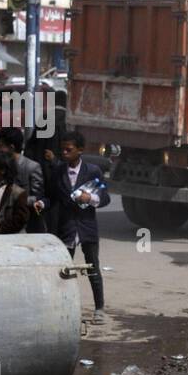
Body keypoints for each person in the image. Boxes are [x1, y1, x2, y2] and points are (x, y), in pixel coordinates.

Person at [50, 131, 110, 324]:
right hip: (66, 227)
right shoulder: (59, 171)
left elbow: (105, 198)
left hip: (87, 227)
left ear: (80, 150)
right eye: (63, 149)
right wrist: (41, 203)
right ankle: (63, 307)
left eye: (69, 149)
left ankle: (99, 308)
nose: (65, 152)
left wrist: (90, 198)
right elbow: (51, 197)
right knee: (65, 269)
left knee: (93, 267)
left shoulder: (93, 171)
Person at [0, 127, 47, 233]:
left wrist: (16, 200)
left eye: (0, 145)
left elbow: (38, 197)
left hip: (25, 227)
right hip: (4, 224)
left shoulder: (32, 167)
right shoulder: (1, 166)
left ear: (11, 147)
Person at [0, 149, 31, 235]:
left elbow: (21, 219)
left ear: (2, 170)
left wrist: (0, 227)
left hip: (8, 240)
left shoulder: (17, 193)